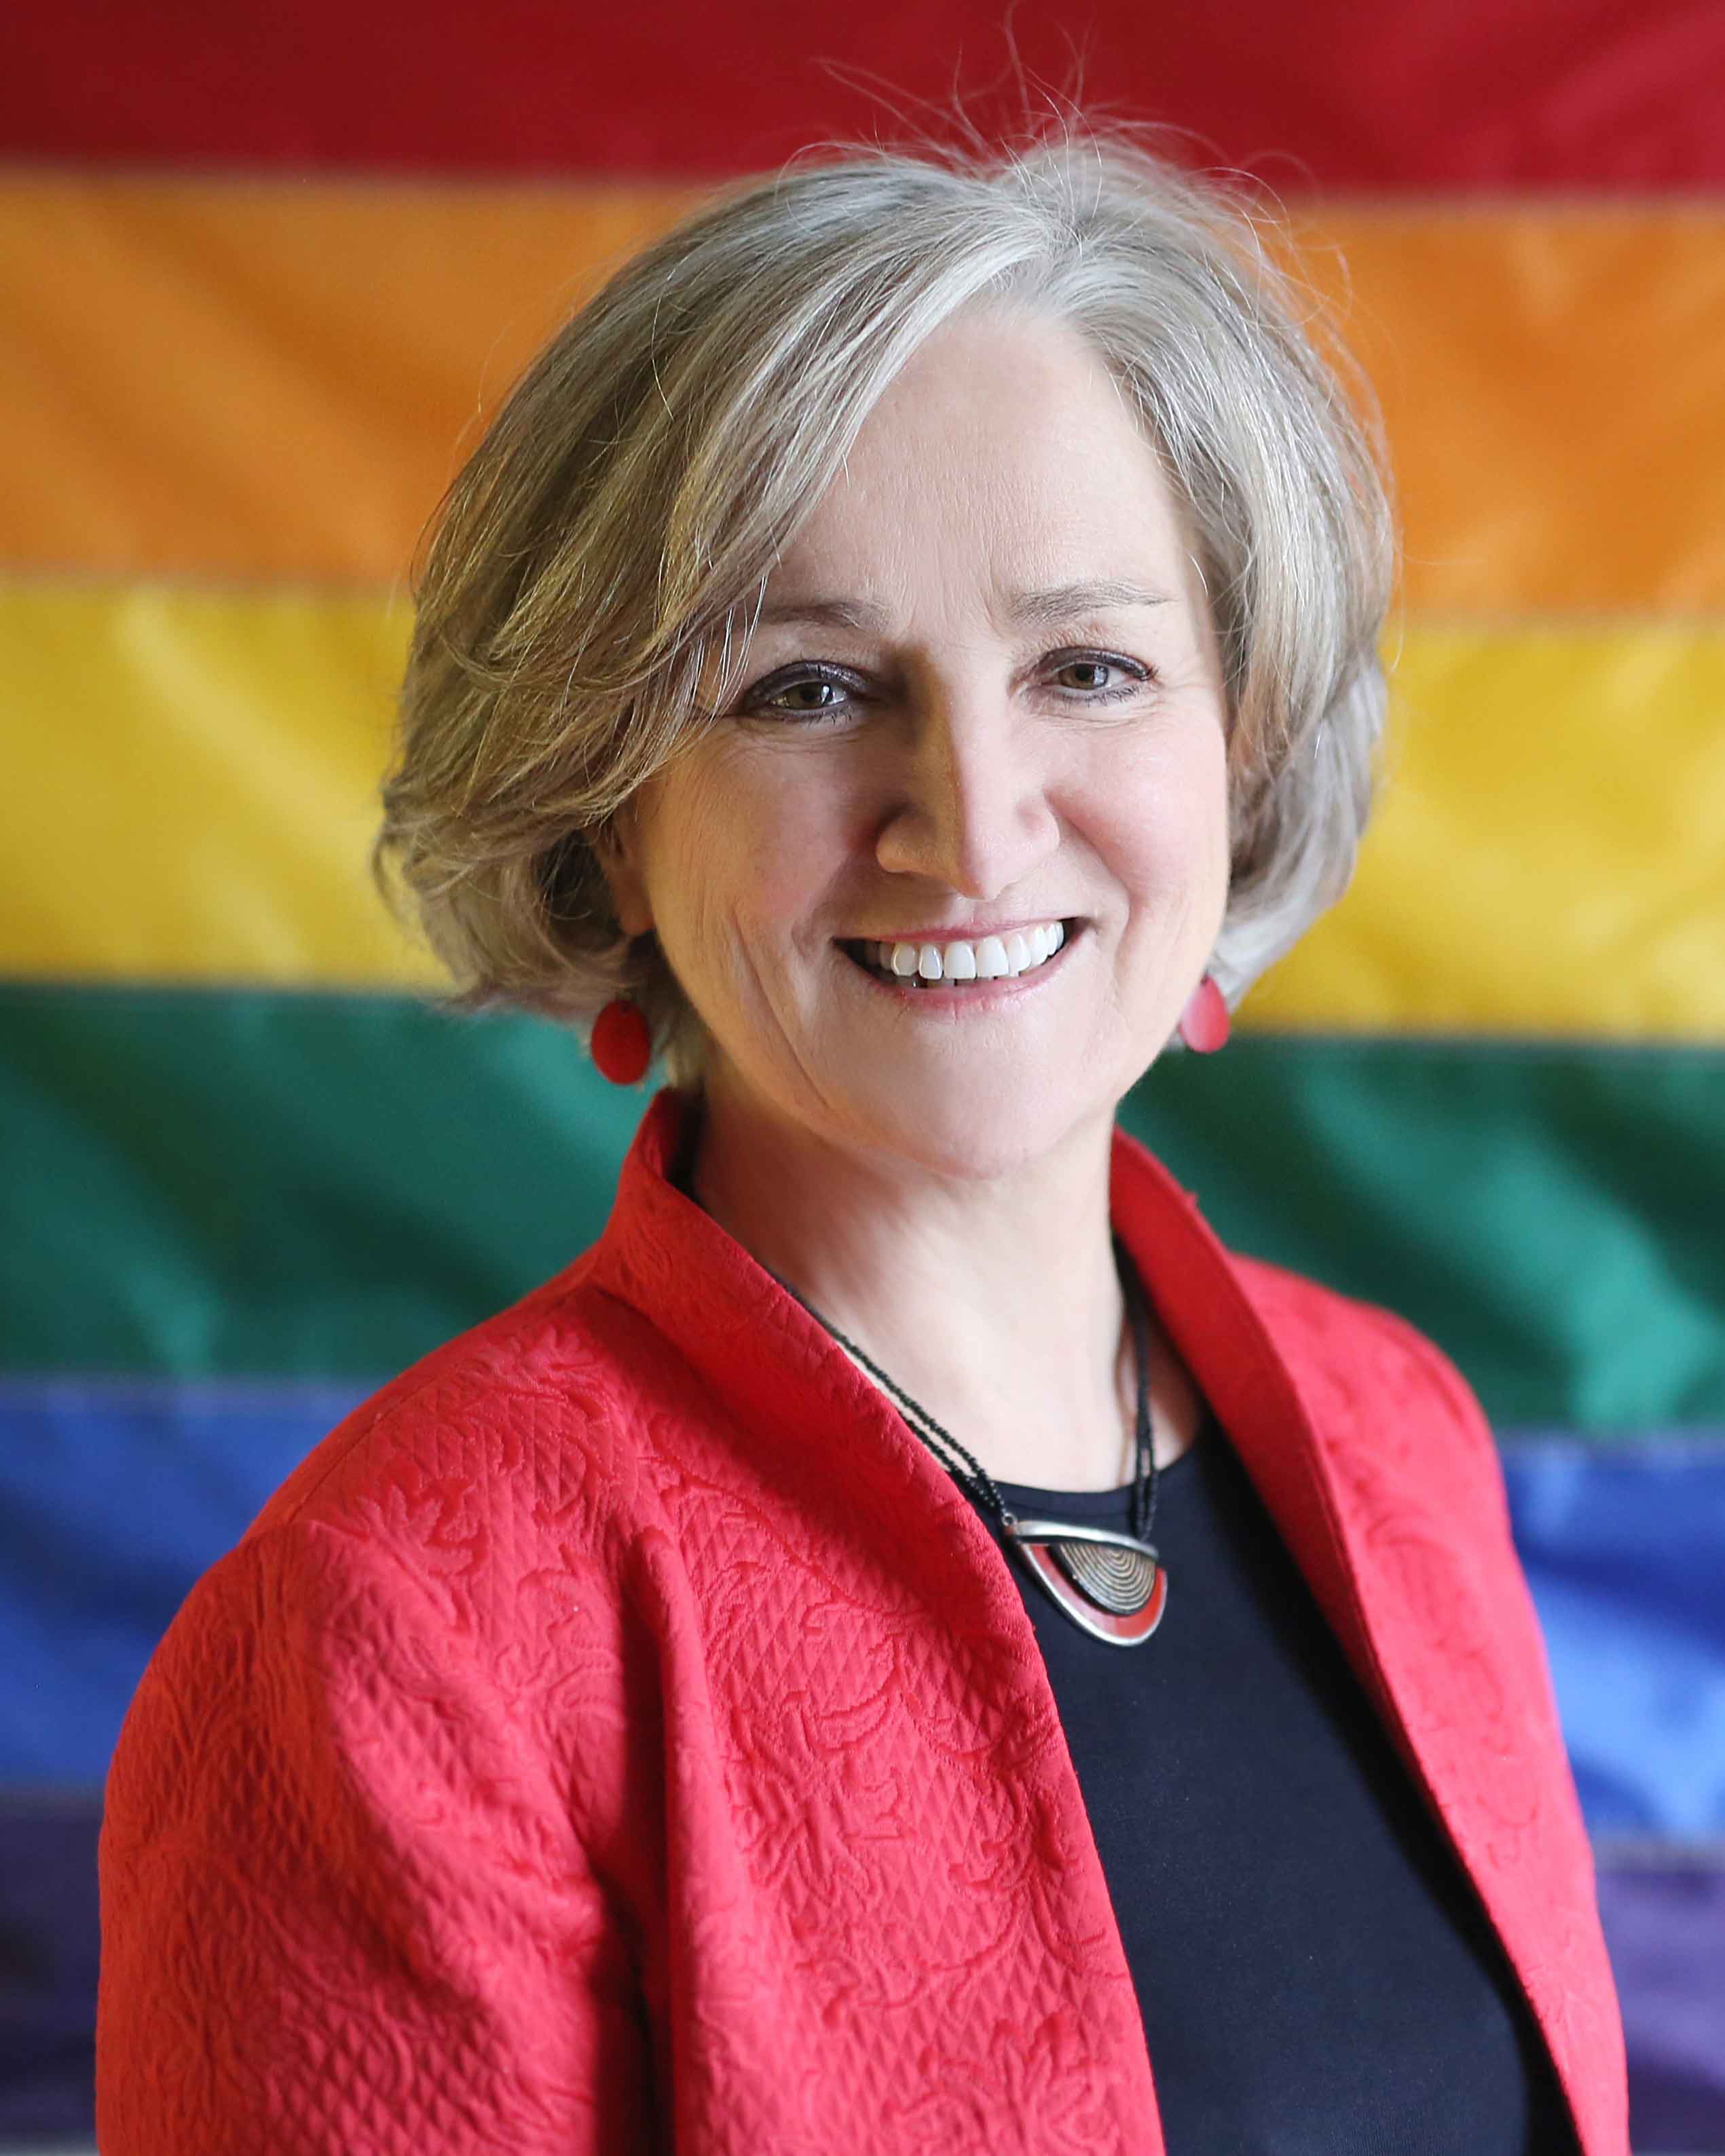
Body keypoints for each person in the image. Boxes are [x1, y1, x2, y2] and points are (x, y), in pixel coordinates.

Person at [96, 122, 1627, 2153]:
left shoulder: (1395, 1438)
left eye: (1088, 667)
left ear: (1237, 749)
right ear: (602, 809)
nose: (974, 820)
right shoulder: (393, 1643)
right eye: (811, 688)